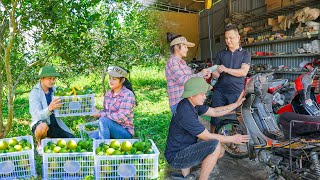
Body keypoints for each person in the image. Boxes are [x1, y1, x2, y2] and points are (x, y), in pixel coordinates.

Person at [165, 77, 250, 180]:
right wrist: (233, 139)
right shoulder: (185, 112)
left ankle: (186, 175)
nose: (205, 97)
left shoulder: (191, 104)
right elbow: (207, 136)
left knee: (221, 150)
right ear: (192, 95)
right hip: (176, 156)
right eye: (202, 94)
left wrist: (236, 105)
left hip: (184, 148)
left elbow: (215, 112)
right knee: (215, 145)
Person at [210, 24, 251, 132]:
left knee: (235, 120)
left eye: (230, 38)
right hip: (220, 91)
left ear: (238, 37)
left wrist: (226, 69)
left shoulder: (245, 54)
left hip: (236, 92)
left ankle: (233, 144)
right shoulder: (221, 54)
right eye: (226, 38)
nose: (228, 41)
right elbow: (217, 71)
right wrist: (215, 74)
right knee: (215, 118)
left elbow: (243, 72)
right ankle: (212, 140)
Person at [29, 66, 74, 153]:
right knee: (43, 127)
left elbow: (64, 106)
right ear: (42, 78)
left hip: (55, 124)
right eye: (49, 78)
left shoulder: (55, 90)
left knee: (72, 140)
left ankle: (50, 138)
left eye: (53, 79)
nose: (52, 81)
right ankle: (40, 144)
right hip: (41, 123)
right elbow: (36, 115)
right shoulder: (34, 93)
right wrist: (49, 108)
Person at [165, 32, 211, 114]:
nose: (187, 49)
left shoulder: (182, 62)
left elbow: (191, 81)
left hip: (187, 102)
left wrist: (203, 76)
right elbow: (183, 80)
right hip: (179, 103)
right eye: (185, 46)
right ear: (176, 47)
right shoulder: (172, 62)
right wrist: (200, 74)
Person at [92, 66, 136, 139]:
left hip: (124, 132)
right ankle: (104, 143)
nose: (110, 81)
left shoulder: (128, 95)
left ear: (122, 80)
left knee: (103, 120)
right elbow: (106, 113)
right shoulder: (108, 94)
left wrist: (100, 114)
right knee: (90, 138)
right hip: (112, 128)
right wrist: (96, 111)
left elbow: (120, 117)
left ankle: (104, 147)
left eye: (114, 79)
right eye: (109, 78)